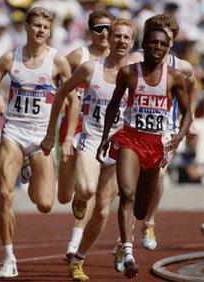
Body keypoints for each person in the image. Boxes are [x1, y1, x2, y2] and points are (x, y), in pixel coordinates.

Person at [0, 7, 77, 278]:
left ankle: (29, 171)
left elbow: (72, 100)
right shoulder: (11, 58)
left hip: (41, 137)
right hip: (14, 132)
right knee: (3, 194)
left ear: (50, 31)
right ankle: (9, 257)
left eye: (45, 27)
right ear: (26, 27)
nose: (41, 31)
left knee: (45, 204)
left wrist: (67, 137)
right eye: (36, 26)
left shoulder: (57, 62)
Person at [41, 18, 136, 281]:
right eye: (116, 36)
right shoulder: (88, 68)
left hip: (119, 143)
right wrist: (53, 133)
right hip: (91, 137)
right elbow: (61, 93)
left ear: (131, 40)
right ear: (110, 39)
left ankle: (78, 258)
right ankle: (79, 199)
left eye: (126, 37)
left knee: (104, 210)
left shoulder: (137, 72)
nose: (120, 41)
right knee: (85, 190)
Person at [97, 27, 192, 279]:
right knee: (126, 193)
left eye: (162, 44)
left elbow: (188, 113)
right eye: (152, 43)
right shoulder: (128, 73)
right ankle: (128, 253)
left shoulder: (174, 77)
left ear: (167, 47)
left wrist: (179, 137)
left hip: (156, 145)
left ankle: (122, 242)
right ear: (144, 45)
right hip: (130, 139)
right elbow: (114, 105)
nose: (157, 48)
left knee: (139, 211)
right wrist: (106, 135)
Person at [128, 14, 198, 251]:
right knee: (132, 181)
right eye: (154, 36)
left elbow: (192, 86)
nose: (158, 43)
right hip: (133, 128)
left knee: (158, 172)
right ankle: (126, 231)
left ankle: (149, 222)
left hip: (165, 129)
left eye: (165, 37)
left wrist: (192, 122)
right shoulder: (137, 59)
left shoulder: (183, 67)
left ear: (172, 39)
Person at [58, 10, 115, 260]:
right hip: (74, 123)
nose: (105, 34)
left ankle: (75, 241)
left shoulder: (120, 60)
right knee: (64, 195)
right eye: (99, 28)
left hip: (101, 129)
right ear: (90, 31)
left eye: (109, 29)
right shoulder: (78, 55)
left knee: (93, 190)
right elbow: (54, 79)